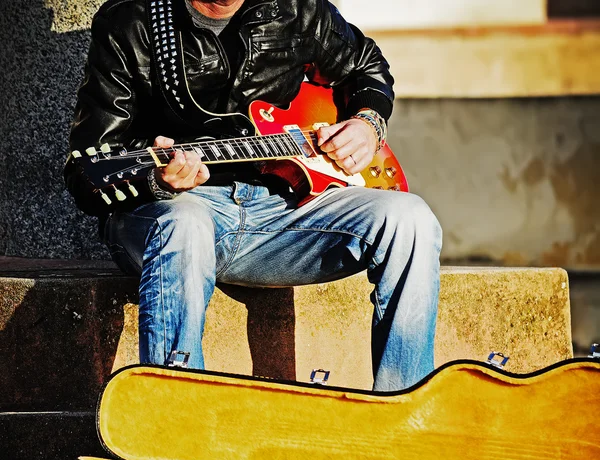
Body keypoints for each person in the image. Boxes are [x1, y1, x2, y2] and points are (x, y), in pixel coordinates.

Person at [65, 0, 442, 391]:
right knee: (183, 222)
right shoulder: (132, 20)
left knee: (410, 218)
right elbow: (87, 173)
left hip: (283, 210)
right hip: (178, 211)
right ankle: (174, 413)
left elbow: (367, 65)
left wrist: (366, 123)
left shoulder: (297, 7)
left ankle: (404, 404)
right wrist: (158, 180)